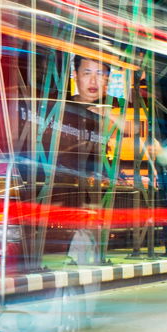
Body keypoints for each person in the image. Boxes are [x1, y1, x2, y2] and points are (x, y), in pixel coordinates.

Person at [45, 55, 110, 264]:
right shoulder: (62, 109)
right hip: (62, 178)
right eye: (87, 73)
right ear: (75, 76)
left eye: (100, 74)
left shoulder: (100, 114)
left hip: (82, 180)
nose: (93, 82)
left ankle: (76, 257)